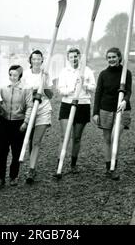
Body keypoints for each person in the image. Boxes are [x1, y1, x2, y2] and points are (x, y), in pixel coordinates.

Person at [92, 47, 132, 181]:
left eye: (114, 57)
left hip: (122, 109)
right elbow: (98, 93)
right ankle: (108, 167)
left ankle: (114, 166)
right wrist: (95, 112)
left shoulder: (126, 73)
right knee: (107, 139)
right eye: (109, 57)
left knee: (115, 137)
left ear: (119, 58)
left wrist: (125, 100)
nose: (111, 59)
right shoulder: (103, 74)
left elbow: (129, 91)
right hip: (105, 109)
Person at [56, 48, 96, 176]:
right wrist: (72, 89)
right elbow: (60, 89)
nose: (74, 59)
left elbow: (94, 88)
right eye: (71, 57)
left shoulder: (87, 71)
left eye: (76, 56)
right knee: (65, 135)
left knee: (77, 137)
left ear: (80, 57)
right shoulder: (64, 72)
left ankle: (73, 164)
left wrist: (84, 85)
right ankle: (59, 165)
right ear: (68, 58)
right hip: (67, 104)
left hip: (83, 104)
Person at [0, 65, 33, 190]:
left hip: (19, 123)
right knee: (1, 152)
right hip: (5, 122)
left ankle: (13, 176)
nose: (12, 77)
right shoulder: (3, 88)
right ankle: (1, 178)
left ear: (20, 76)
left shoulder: (26, 89)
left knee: (16, 152)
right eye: (10, 74)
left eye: (15, 75)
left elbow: (30, 107)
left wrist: (26, 122)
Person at [22, 49, 54, 184]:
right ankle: (31, 163)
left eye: (38, 59)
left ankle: (31, 169)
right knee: (29, 139)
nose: (36, 61)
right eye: (33, 59)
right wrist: (33, 91)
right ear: (30, 60)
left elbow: (51, 95)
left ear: (42, 60)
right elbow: (22, 93)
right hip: (29, 108)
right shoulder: (25, 74)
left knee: (36, 141)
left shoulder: (45, 74)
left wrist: (45, 82)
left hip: (43, 109)